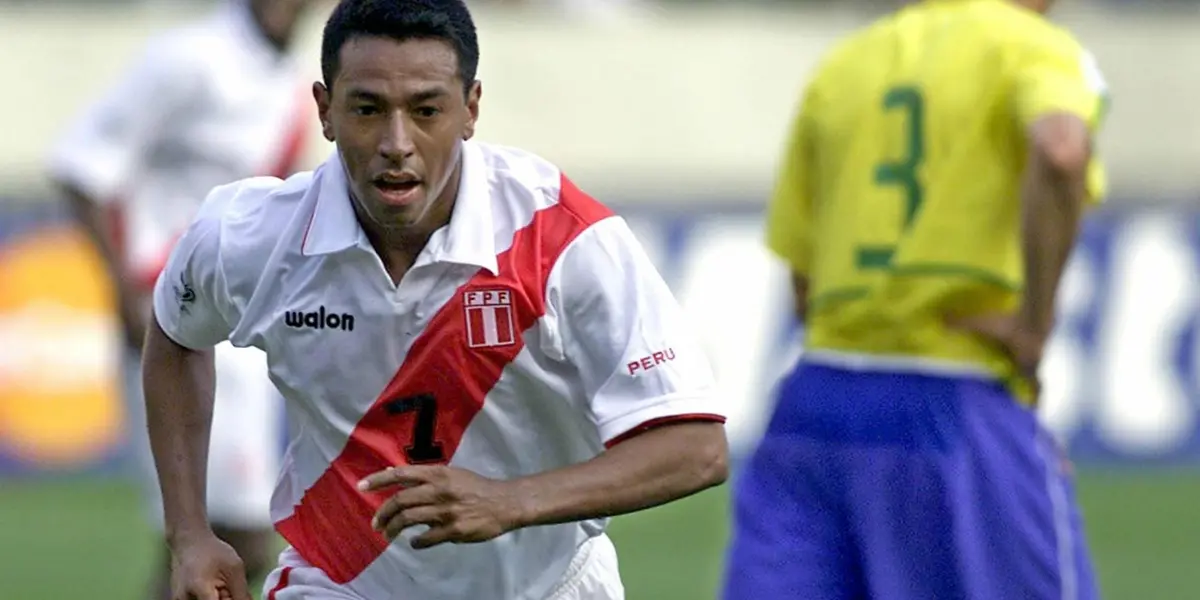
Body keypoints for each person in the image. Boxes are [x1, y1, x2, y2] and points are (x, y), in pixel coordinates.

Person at [142, 1, 730, 599]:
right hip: (340, 583)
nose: (397, 143)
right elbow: (174, 334)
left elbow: (697, 448)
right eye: (368, 109)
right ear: (324, 110)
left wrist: (511, 501)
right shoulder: (247, 235)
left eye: (427, 110)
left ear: (470, 109)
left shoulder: (565, 241)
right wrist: (189, 532)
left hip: (548, 586)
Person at [722, 0, 1109, 598]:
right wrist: (1033, 328)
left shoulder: (846, 63)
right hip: (954, 402)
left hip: (813, 407)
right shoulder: (1033, 47)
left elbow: (805, 287)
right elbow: (1061, 150)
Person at [45, 1, 315, 597]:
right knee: (222, 535)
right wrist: (125, 295)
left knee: (222, 540)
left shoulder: (292, 80)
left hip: (242, 327)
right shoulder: (189, 57)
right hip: (171, 320)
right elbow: (80, 164)